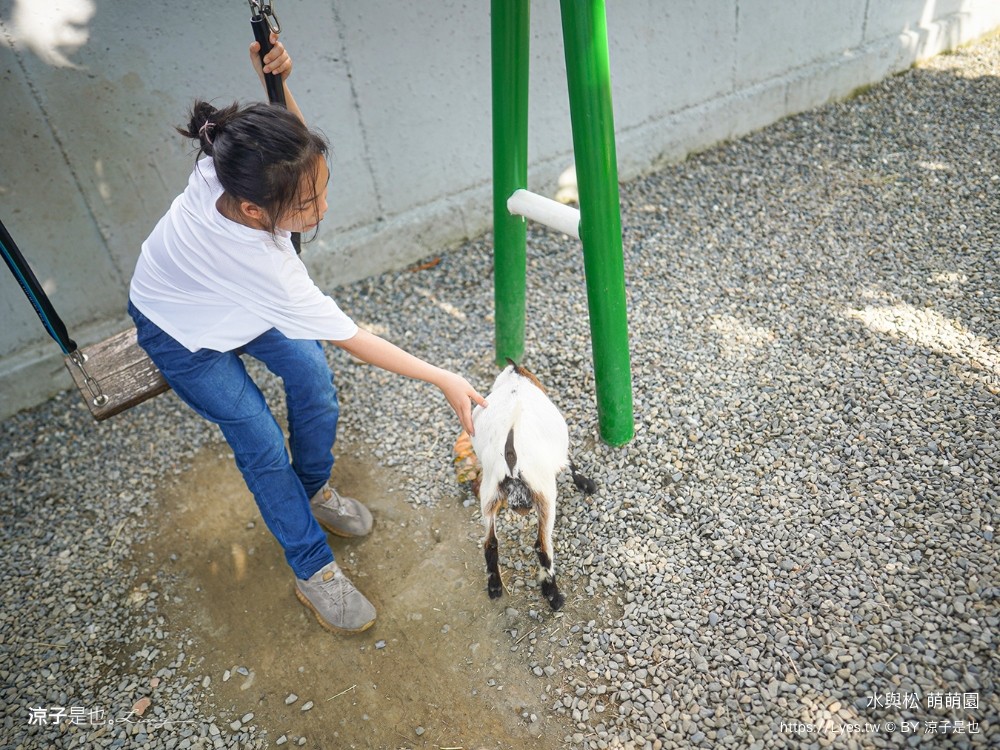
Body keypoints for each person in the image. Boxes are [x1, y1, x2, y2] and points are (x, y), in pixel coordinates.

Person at [128, 34, 486, 635]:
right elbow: (353, 337)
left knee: (313, 378)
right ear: (252, 211)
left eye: (323, 186)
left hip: (235, 304)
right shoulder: (265, 264)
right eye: (307, 203)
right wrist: (443, 377)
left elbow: (292, 148)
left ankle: (313, 490)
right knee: (261, 440)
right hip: (179, 328)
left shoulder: (230, 164)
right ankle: (312, 568)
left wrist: (278, 83)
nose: (321, 206)